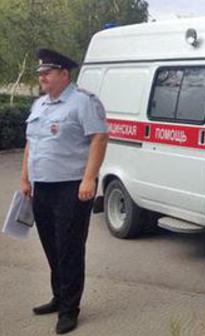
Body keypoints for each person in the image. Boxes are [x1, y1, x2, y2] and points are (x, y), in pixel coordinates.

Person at [20, 48, 108, 334]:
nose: (42, 76)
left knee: (69, 249)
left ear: (64, 74)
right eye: (40, 73)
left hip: (71, 188)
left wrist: (89, 179)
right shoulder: (40, 105)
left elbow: (99, 137)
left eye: (47, 72)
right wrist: (25, 179)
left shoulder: (83, 102)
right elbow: (31, 144)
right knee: (51, 246)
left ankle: (70, 310)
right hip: (42, 187)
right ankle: (58, 297)